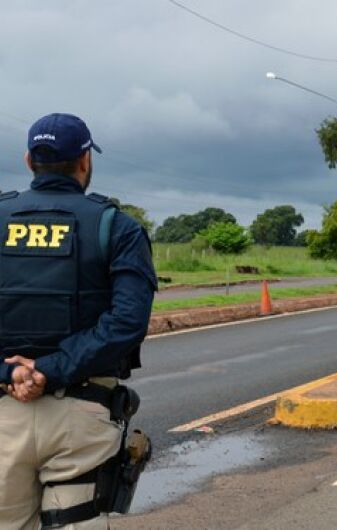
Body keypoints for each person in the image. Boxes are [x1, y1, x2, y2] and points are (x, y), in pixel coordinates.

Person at [0, 113, 157, 529]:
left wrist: (11, 371)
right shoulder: (116, 227)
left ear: (29, 160)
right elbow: (126, 322)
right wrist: (49, 370)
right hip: (82, 418)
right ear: (84, 161)